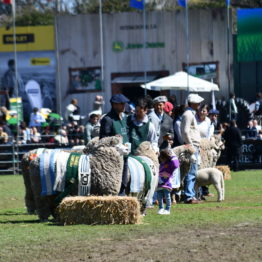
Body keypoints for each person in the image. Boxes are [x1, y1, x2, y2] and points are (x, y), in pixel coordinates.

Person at [99, 94, 130, 195]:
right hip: (113, 159)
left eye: (124, 103)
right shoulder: (107, 119)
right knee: (116, 182)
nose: (124, 105)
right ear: (114, 105)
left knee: (124, 181)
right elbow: (103, 140)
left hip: (125, 156)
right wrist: (113, 139)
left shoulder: (124, 118)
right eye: (121, 104)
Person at [180, 93, 204, 204]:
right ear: (192, 103)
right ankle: (189, 196)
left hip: (193, 145)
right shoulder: (188, 114)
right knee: (191, 171)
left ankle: (191, 195)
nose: (199, 104)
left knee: (193, 171)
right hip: (192, 146)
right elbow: (185, 131)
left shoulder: (190, 114)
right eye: (197, 102)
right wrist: (190, 145)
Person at [157, 148, 180, 215]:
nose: (161, 160)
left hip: (167, 182)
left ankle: (167, 209)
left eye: (163, 158)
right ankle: (161, 208)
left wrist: (172, 155)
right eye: (161, 158)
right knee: (159, 196)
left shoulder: (171, 162)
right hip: (159, 182)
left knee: (167, 196)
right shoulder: (161, 163)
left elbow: (176, 164)